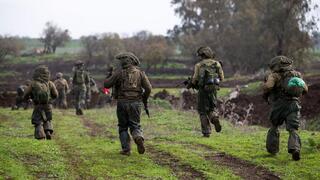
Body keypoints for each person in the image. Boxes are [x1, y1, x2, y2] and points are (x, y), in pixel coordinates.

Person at [104, 52, 152, 156]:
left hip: (122, 102)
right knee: (135, 125)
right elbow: (148, 88)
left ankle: (126, 150)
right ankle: (138, 137)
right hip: (136, 103)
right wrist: (144, 98)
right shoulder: (140, 73)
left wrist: (109, 75)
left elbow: (106, 85)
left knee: (123, 126)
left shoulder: (118, 73)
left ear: (124, 62)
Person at [263, 55, 308, 161]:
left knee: (274, 126)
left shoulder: (274, 76)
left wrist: (264, 87)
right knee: (293, 129)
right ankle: (295, 148)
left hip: (278, 105)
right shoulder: (297, 75)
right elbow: (305, 89)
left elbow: (268, 87)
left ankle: (272, 149)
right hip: (294, 105)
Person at [187, 46, 224, 137]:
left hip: (203, 90)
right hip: (214, 90)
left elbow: (195, 79)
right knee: (211, 108)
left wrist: (191, 84)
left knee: (202, 111)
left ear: (202, 55)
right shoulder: (217, 64)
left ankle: (206, 132)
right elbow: (222, 78)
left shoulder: (199, 65)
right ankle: (214, 117)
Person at [23, 65, 58, 140]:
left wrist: (28, 99)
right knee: (47, 119)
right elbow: (55, 95)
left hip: (38, 105)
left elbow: (26, 95)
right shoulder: (50, 83)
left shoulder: (33, 83)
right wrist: (50, 100)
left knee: (37, 121)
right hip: (48, 105)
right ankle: (48, 131)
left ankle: (40, 136)